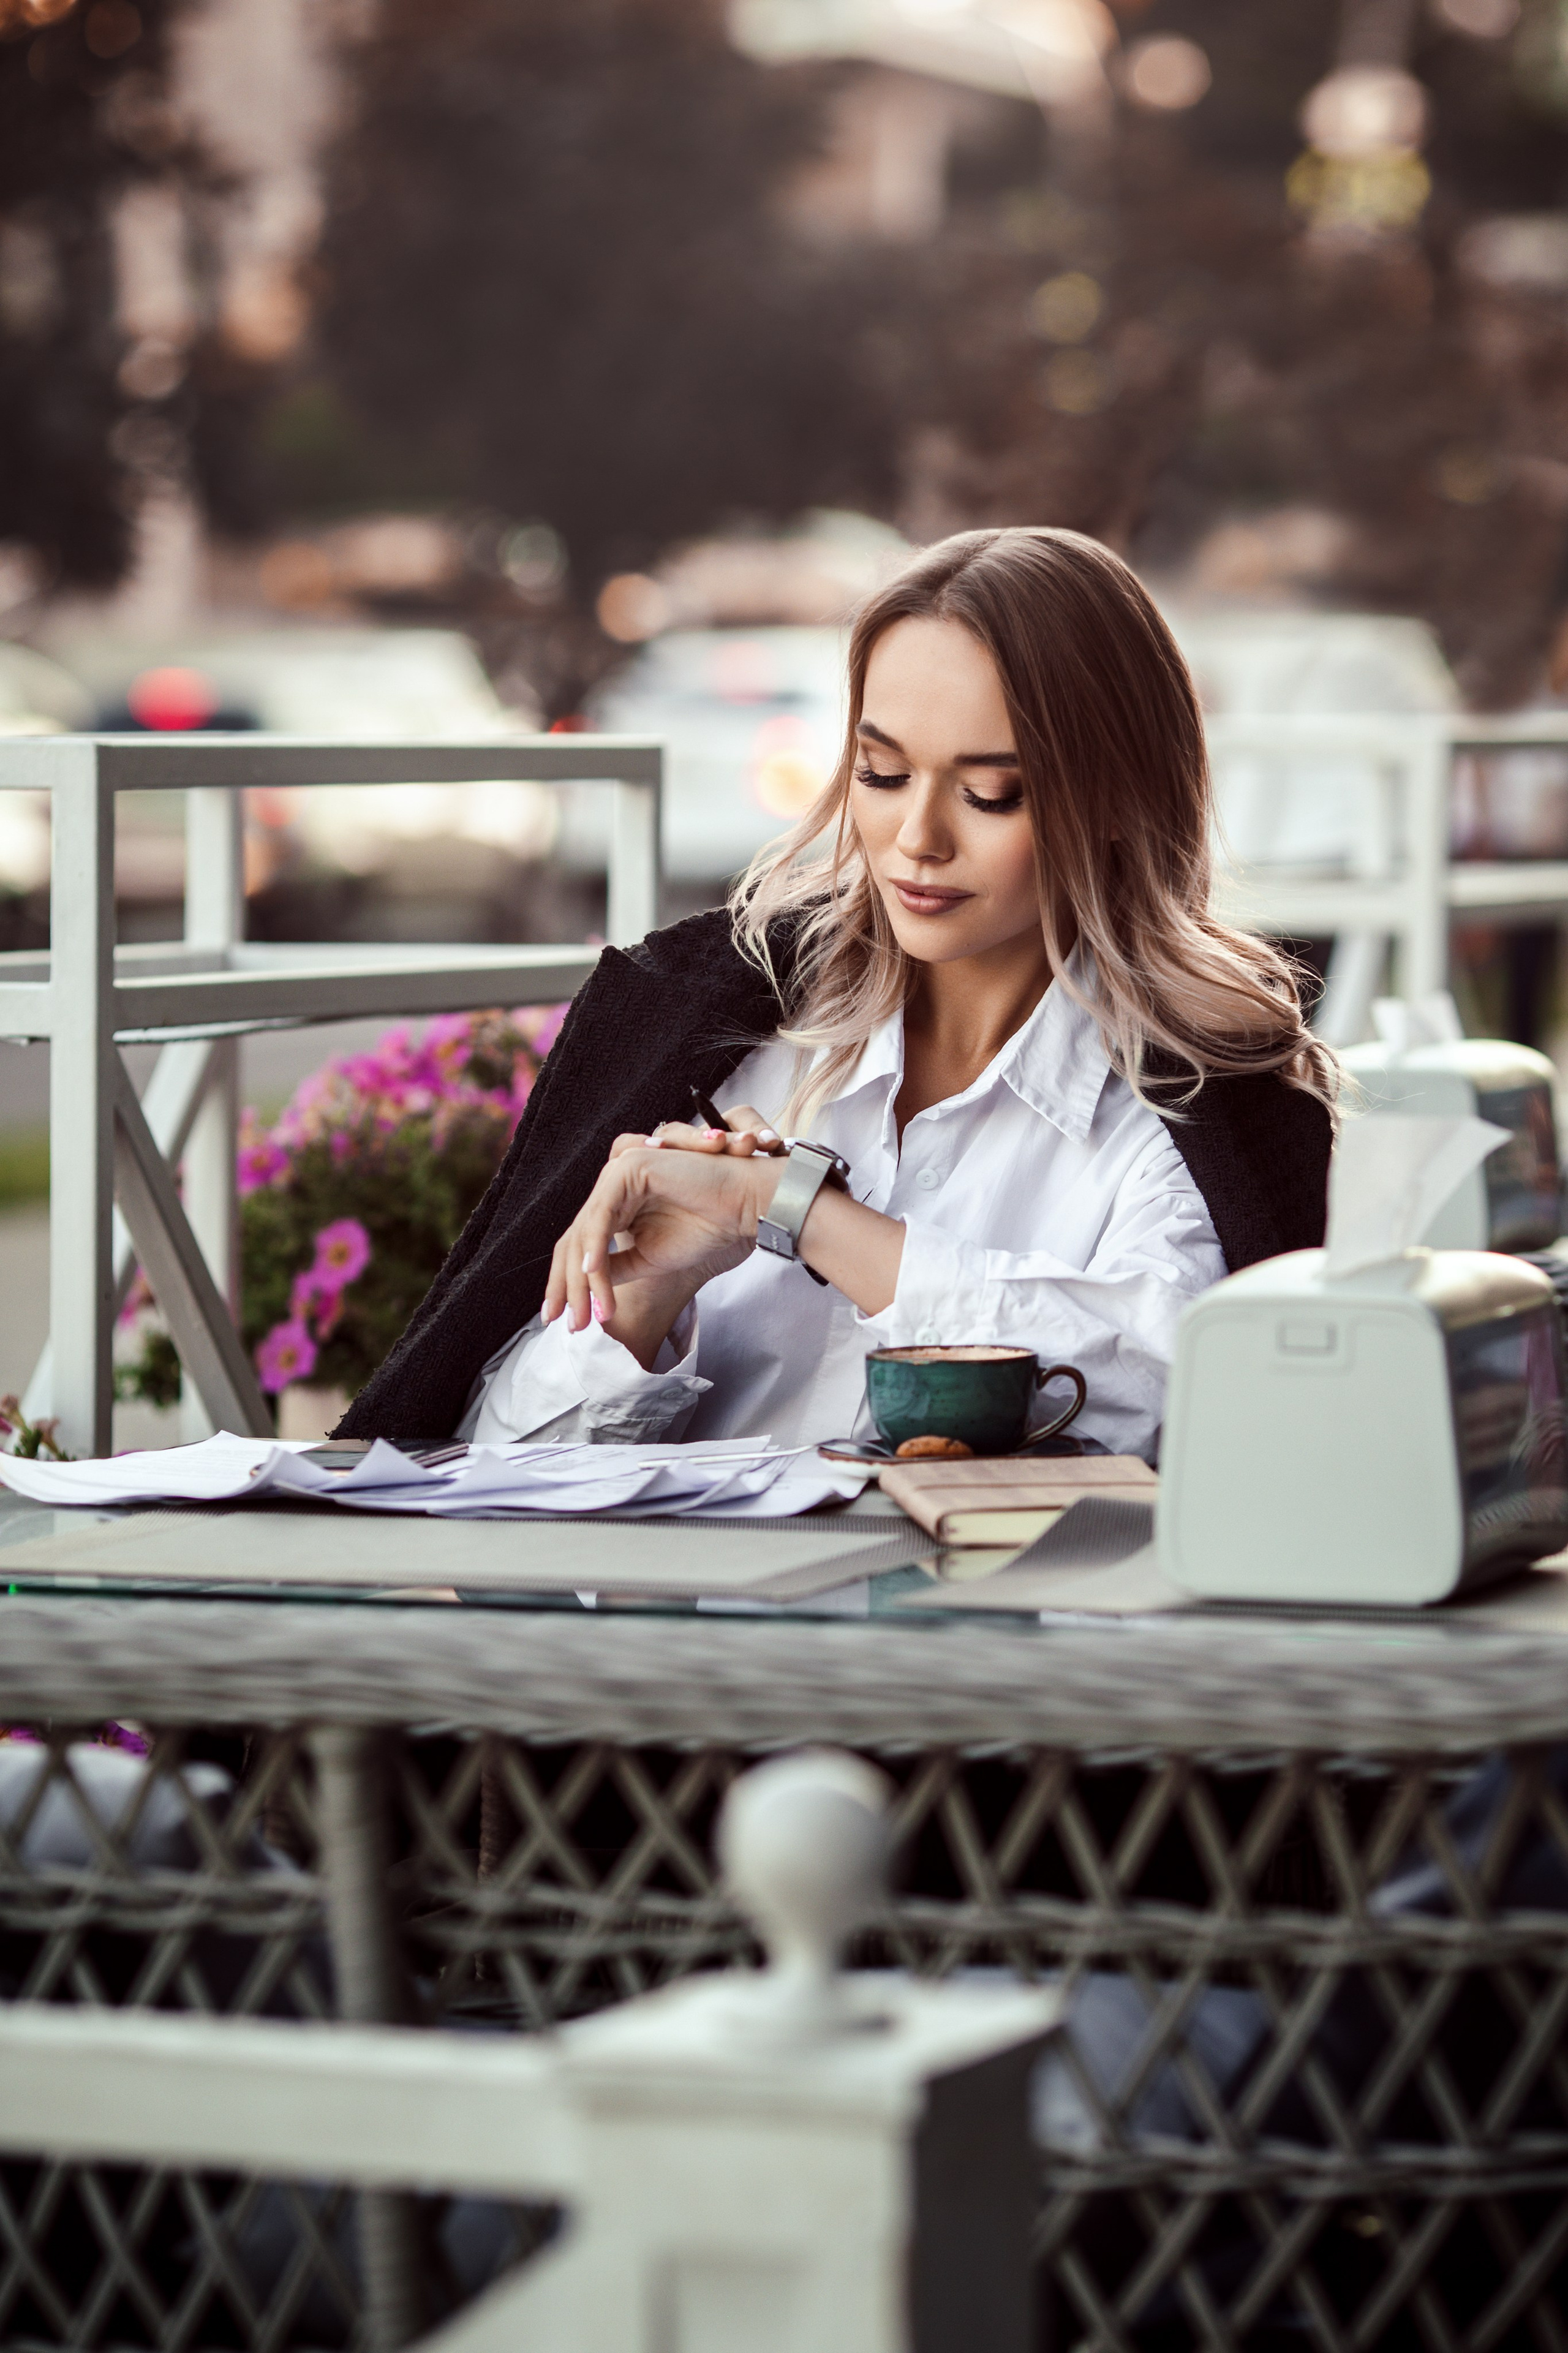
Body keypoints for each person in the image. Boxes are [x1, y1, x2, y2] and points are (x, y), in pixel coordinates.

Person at [338, 527, 1337, 1459]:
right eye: (883, 772)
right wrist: (641, 1310)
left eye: (993, 792)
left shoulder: (1197, 1111)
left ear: (1120, 800)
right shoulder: (711, 1029)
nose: (919, 838)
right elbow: (490, 1472)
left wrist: (795, 1212)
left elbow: (1170, 1389)